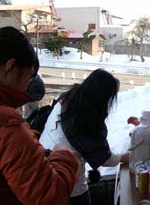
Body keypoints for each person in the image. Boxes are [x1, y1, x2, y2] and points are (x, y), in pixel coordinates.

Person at [0, 26, 79, 205]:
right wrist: (63, 156)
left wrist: (29, 142)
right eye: (28, 77)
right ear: (10, 67)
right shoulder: (7, 123)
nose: (26, 86)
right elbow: (51, 197)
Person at [39, 68, 130, 205]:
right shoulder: (85, 117)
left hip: (42, 169)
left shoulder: (68, 98)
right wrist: (123, 157)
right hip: (68, 182)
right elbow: (103, 157)